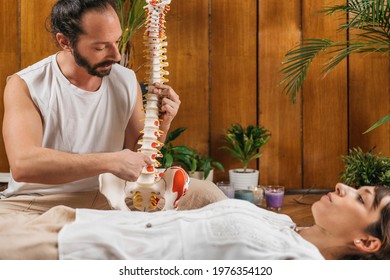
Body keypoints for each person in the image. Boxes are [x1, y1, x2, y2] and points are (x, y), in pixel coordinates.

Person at [0, 0, 226, 214]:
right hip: (38, 200)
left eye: (117, 42)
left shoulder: (125, 80)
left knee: (210, 195)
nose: (117, 55)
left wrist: (163, 122)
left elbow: (140, 157)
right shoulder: (26, 85)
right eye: (100, 47)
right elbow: (23, 165)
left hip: (110, 196)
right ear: (65, 42)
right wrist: (110, 161)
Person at [1, 183, 389, 260]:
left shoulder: (299, 264)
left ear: (368, 242)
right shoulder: (286, 225)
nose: (343, 185)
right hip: (74, 221)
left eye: (361, 197)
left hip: (71, 254)